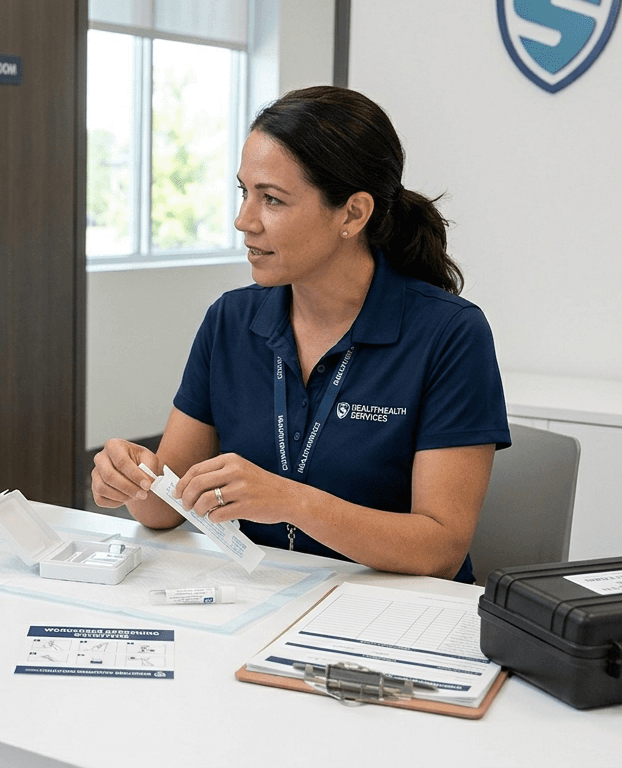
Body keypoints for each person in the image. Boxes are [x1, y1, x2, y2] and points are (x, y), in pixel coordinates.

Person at [91, 86, 510, 583]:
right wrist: (135, 480)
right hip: (262, 596)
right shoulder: (229, 320)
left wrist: (289, 501)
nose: (244, 221)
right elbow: (168, 509)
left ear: (353, 213)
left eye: (272, 199)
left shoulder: (450, 333)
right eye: (244, 192)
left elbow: (439, 548)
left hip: (393, 614)